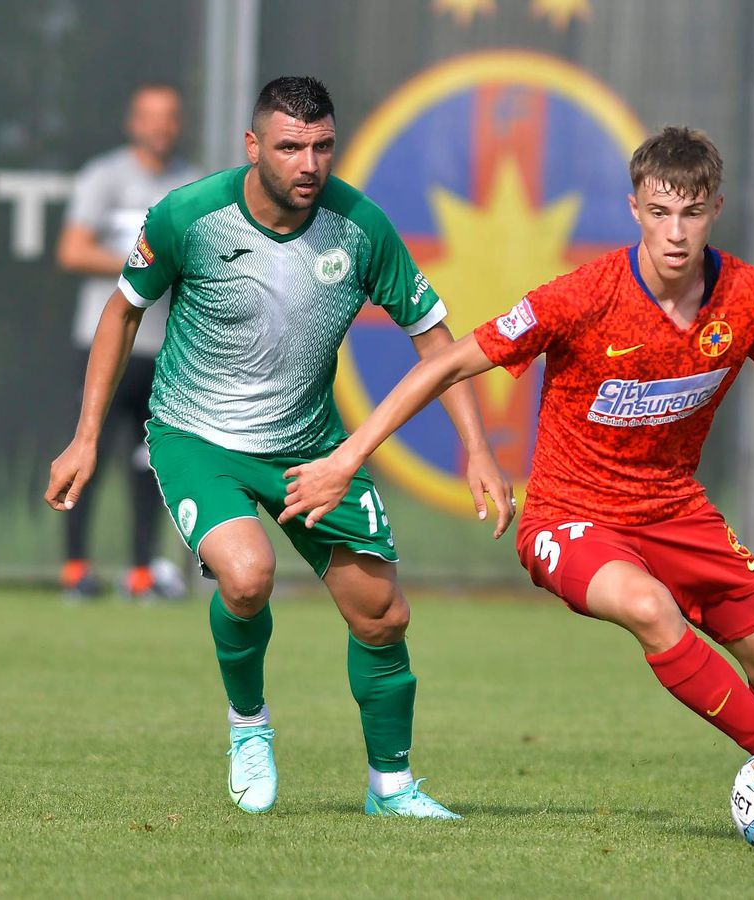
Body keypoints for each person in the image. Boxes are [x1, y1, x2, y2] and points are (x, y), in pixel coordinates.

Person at [281, 126, 754, 844]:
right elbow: (444, 366)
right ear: (635, 209)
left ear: (715, 210)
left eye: (692, 212)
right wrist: (347, 458)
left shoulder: (743, 297)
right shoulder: (584, 294)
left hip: (674, 507)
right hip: (567, 516)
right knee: (647, 606)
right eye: (660, 211)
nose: (676, 231)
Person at [45, 76, 514, 819]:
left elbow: (436, 342)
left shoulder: (360, 226)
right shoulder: (189, 216)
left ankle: (391, 788)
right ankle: (248, 725)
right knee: (247, 575)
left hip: (310, 446)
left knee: (381, 615)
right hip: (198, 436)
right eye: (291, 146)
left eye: (323, 146)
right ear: (253, 146)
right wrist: (86, 436)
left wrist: (477, 448)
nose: (309, 163)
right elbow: (121, 313)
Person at [56, 83, 199, 600]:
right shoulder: (104, 176)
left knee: (149, 466)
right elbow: (73, 250)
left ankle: (142, 572)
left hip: (165, 351)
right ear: (132, 122)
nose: (160, 126)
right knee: (86, 454)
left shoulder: (191, 185)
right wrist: (144, 268)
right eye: (150, 117)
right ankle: (76, 569)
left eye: (170, 117)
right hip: (104, 345)